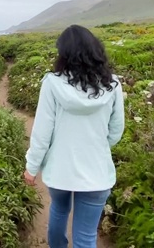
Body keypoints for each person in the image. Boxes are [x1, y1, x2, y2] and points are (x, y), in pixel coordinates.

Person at [23, 24, 125, 248]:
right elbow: (116, 130)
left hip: (60, 171)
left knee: (59, 210)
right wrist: (96, 146)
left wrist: (32, 167)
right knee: (86, 237)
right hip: (97, 172)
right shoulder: (113, 84)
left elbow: (42, 132)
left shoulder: (52, 83)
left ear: (64, 54)